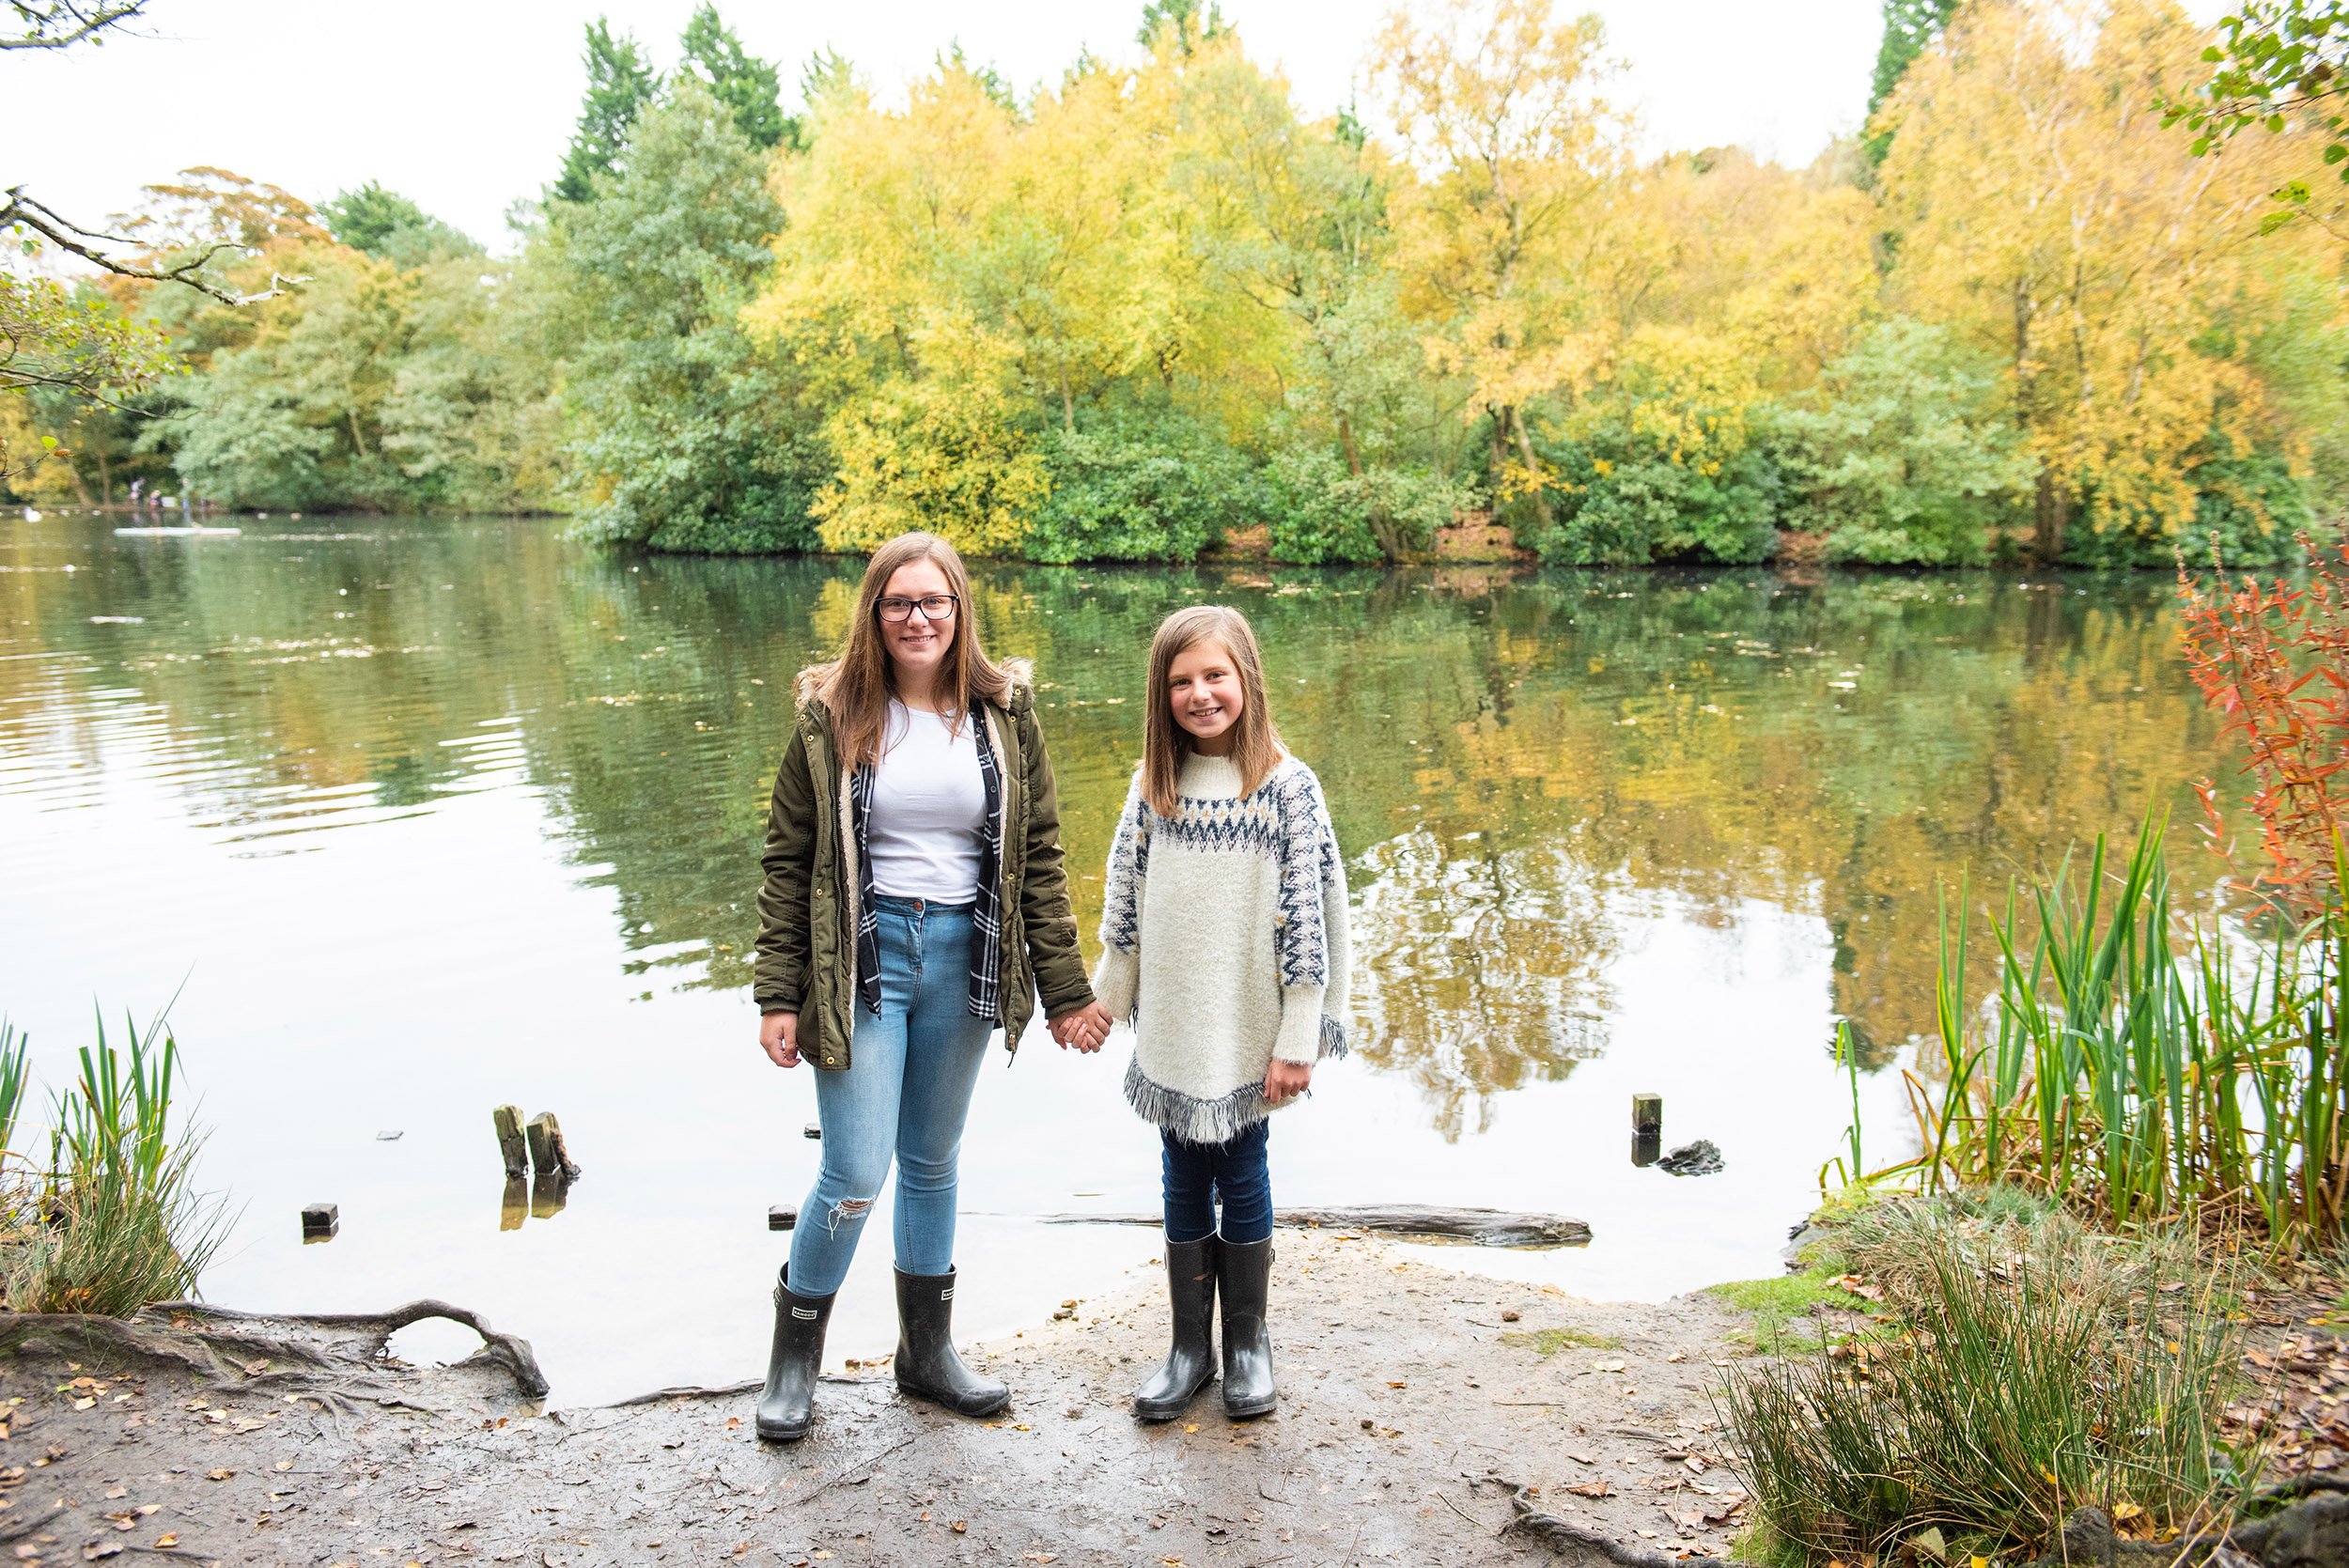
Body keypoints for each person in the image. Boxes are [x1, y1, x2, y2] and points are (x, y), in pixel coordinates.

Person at [750, 531, 1113, 1444]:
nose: (918, 618)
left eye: (934, 602)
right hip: (864, 961)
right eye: (900, 602)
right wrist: (776, 994)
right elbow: (789, 862)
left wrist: (1068, 992)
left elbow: (1037, 856)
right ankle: (792, 1363)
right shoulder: (829, 714)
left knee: (932, 1160)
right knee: (854, 1167)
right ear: (874, 614)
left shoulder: (1002, 712)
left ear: (959, 612)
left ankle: (926, 1354)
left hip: (968, 956)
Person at [1090, 604, 1351, 1421]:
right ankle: (1187, 1347)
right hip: (1173, 1023)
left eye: (1215, 676)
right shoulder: (1152, 786)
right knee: (1178, 1178)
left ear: (1247, 681)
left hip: (1248, 1028)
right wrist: (1105, 999)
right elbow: (1123, 904)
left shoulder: (1285, 787)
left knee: (1242, 1174)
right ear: (1161, 694)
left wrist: (1300, 1034)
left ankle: (1246, 1344)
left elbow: (1315, 915)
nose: (1200, 694)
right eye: (1181, 682)